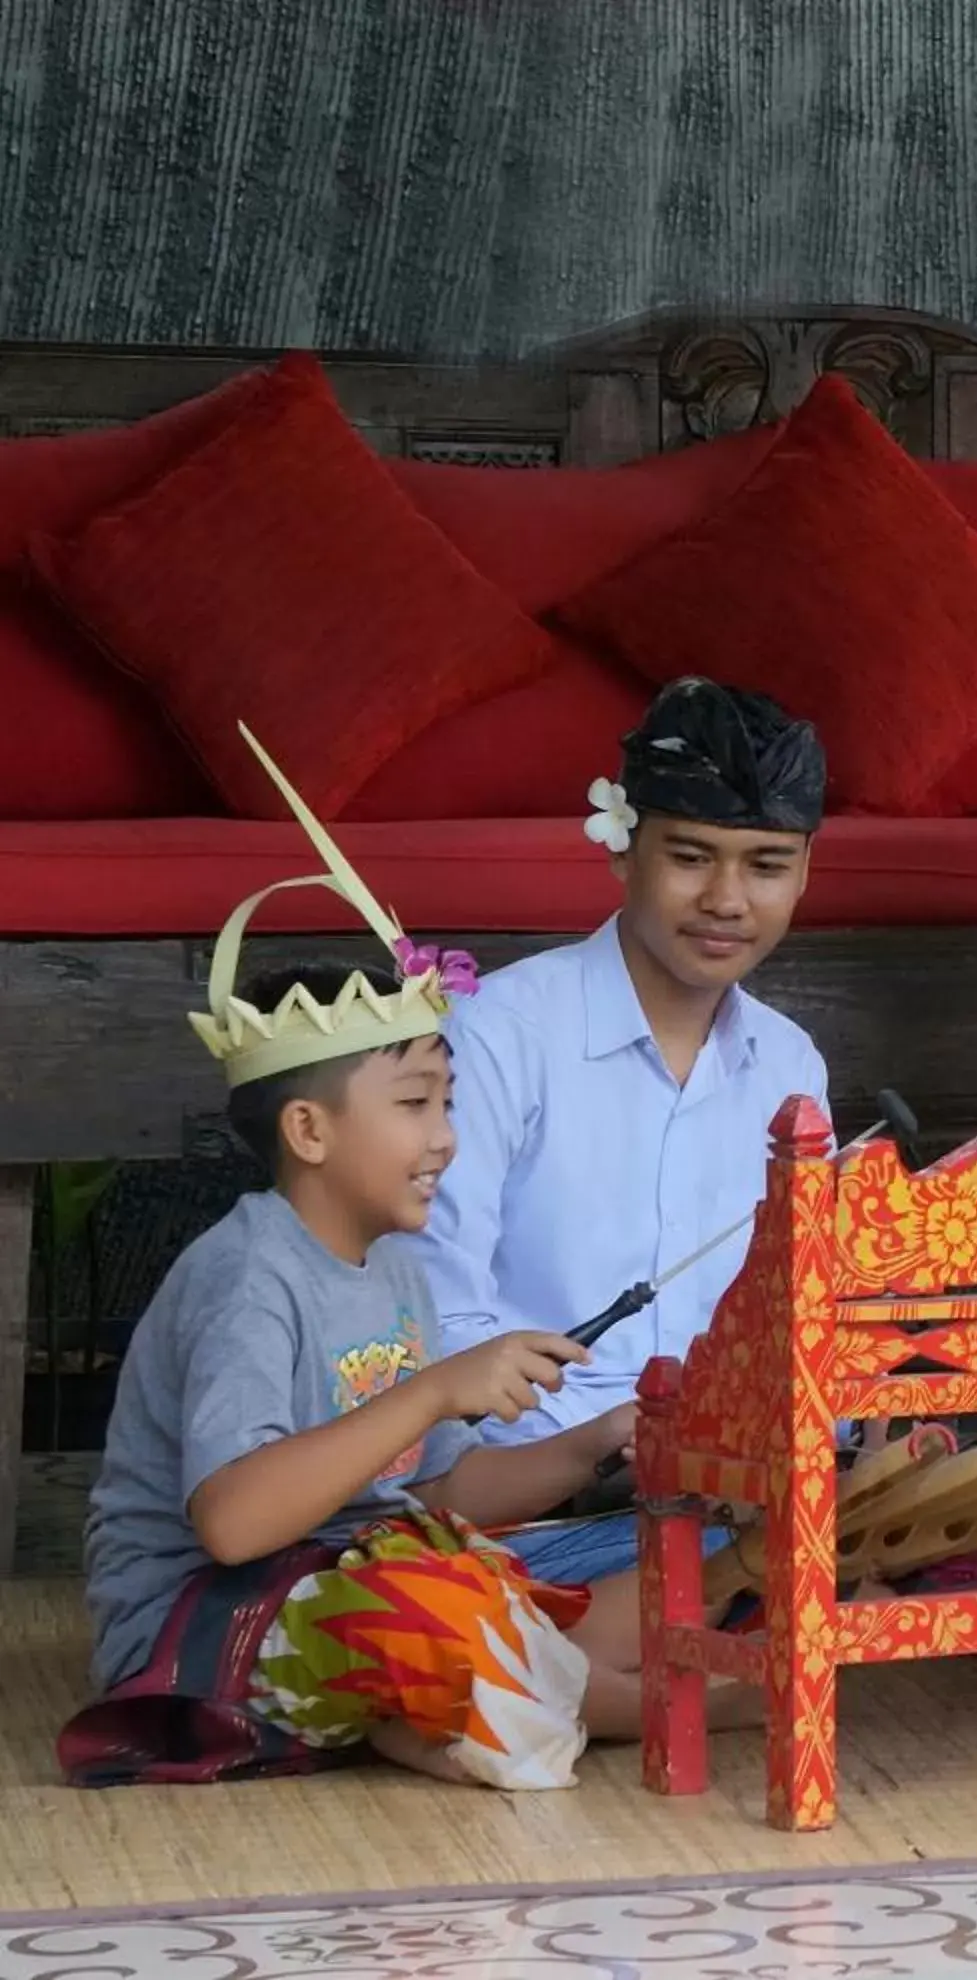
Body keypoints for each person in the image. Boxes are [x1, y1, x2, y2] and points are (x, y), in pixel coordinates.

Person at [65, 736, 713, 1792]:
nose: (446, 1137)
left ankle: (494, 1704)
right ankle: (691, 1709)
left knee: (611, 1572)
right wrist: (429, 1392)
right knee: (439, 1612)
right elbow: (231, 1524)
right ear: (311, 1131)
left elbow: (447, 1489)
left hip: (367, 1576)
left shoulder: (398, 1269)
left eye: (447, 1102)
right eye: (415, 1105)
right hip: (209, 1619)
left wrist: (596, 1443)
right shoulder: (247, 1276)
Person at [413, 678, 827, 1586]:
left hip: (729, 1480)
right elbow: (439, 1314)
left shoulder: (791, 1065)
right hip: (537, 1492)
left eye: (766, 865)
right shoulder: (501, 1034)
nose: (727, 898)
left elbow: (792, 1316)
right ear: (621, 850)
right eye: (690, 856)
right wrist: (590, 1451)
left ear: (803, 872)